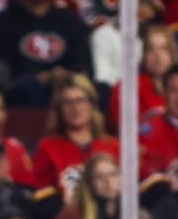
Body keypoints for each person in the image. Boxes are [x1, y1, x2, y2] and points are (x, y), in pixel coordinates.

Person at [27, 73, 116, 202]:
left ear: (91, 104)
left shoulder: (113, 146)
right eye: (67, 102)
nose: (75, 108)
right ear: (59, 109)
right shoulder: (47, 148)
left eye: (80, 100)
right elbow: (41, 196)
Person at [43, 149, 118, 219]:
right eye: (99, 177)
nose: (108, 182)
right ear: (89, 183)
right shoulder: (73, 216)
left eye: (113, 175)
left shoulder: (130, 212)